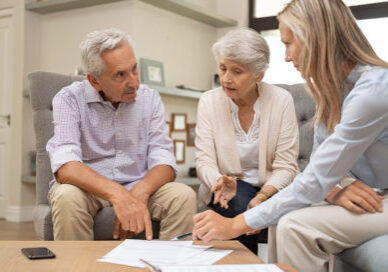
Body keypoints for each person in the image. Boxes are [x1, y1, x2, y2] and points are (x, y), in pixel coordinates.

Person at [193, 1, 388, 270]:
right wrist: (335, 191)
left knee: (294, 226)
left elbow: (315, 177)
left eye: (288, 43)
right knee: (283, 217)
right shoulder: (332, 92)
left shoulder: (374, 90)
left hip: (383, 199)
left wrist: (235, 225)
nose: (285, 57)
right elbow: (322, 169)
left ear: (314, 40)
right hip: (376, 195)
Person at [47, 28, 196, 241]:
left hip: (138, 184)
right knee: (66, 196)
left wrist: (139, 193)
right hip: (87, 190)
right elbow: (66, 167)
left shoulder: (150, 99)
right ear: (94, 80)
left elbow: (164, 160)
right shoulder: (69, 99)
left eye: (134, 69)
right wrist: (118, 195)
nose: (134, 82)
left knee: (182, 196)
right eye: (120, 75)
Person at [195, 28, 299, 254]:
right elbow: (204, 161)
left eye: (237, 71)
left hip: (273, 187)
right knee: (237, 201)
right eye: (222, 69)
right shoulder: (208, 102)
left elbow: (286, 166)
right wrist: (219, 181)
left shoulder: (281, 101)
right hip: (227, 189)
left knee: (245, 206)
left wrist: (263, 196)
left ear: (258, 75)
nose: (226, 78)